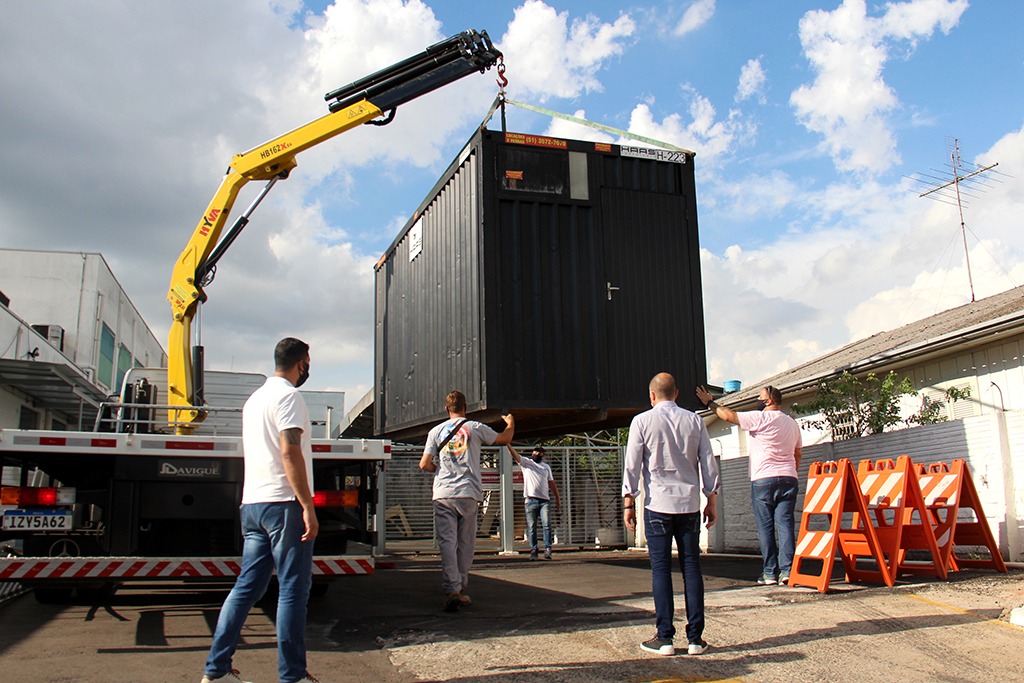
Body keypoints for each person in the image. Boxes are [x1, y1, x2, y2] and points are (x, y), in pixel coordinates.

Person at [201, 337, 319, 683]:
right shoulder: (289, 397)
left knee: (246, 588)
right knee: (293, 590)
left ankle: (217, 670)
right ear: (301, 364)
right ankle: (292, 676)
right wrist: (307, 505)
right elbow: (289, 452)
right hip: (284, 504)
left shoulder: (254, 401)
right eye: (308, 364)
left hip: (252, 504)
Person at [624, 372, 720, 657]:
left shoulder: (641, 421)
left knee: (661, 570)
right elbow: (707, 462)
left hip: (657, 505)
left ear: (652, 396)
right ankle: (695, 639)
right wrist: (711, 500)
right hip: (689, 505)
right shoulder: (694, 420)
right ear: (676, 393)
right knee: (692, 568)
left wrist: (629, 501)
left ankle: (664, 637)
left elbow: (632, 464)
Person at [696, 384, 802, 586]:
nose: (758, 400)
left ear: (769, 401)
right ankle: (787, 571)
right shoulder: (791, 423)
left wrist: (709, 402)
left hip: (763, 479)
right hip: (789, 478)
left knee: (766, 527)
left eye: (761, 397)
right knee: (786, 525)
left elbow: (728, 416)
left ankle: (770, 573)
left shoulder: (759, 418)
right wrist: (792, 472)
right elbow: (797, 454)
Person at [419, 390, 514, 612]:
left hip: (443, 493)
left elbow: (424, 464)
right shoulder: (474, 428)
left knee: (447, 543)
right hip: (468, 493)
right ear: (466, 408)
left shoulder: (435, 431)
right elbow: (504, 439)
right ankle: (460, 588)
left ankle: (451, 588)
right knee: (466, 544)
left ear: (446, 409)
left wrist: (440, 470)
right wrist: (510, 422)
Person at [509, 445, 561, 560]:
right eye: (535, 452)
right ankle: (534, 549)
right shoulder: (527, 463)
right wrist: (507, 444)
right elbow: (515, 455)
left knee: (546, 525)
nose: (537, 454)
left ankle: (548, 548)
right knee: (532, 526)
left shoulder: (545, 467)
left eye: (539, 453)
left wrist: (557, 498)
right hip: (530, 499)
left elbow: (551, 482)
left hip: (544, 500)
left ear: (543, 455)